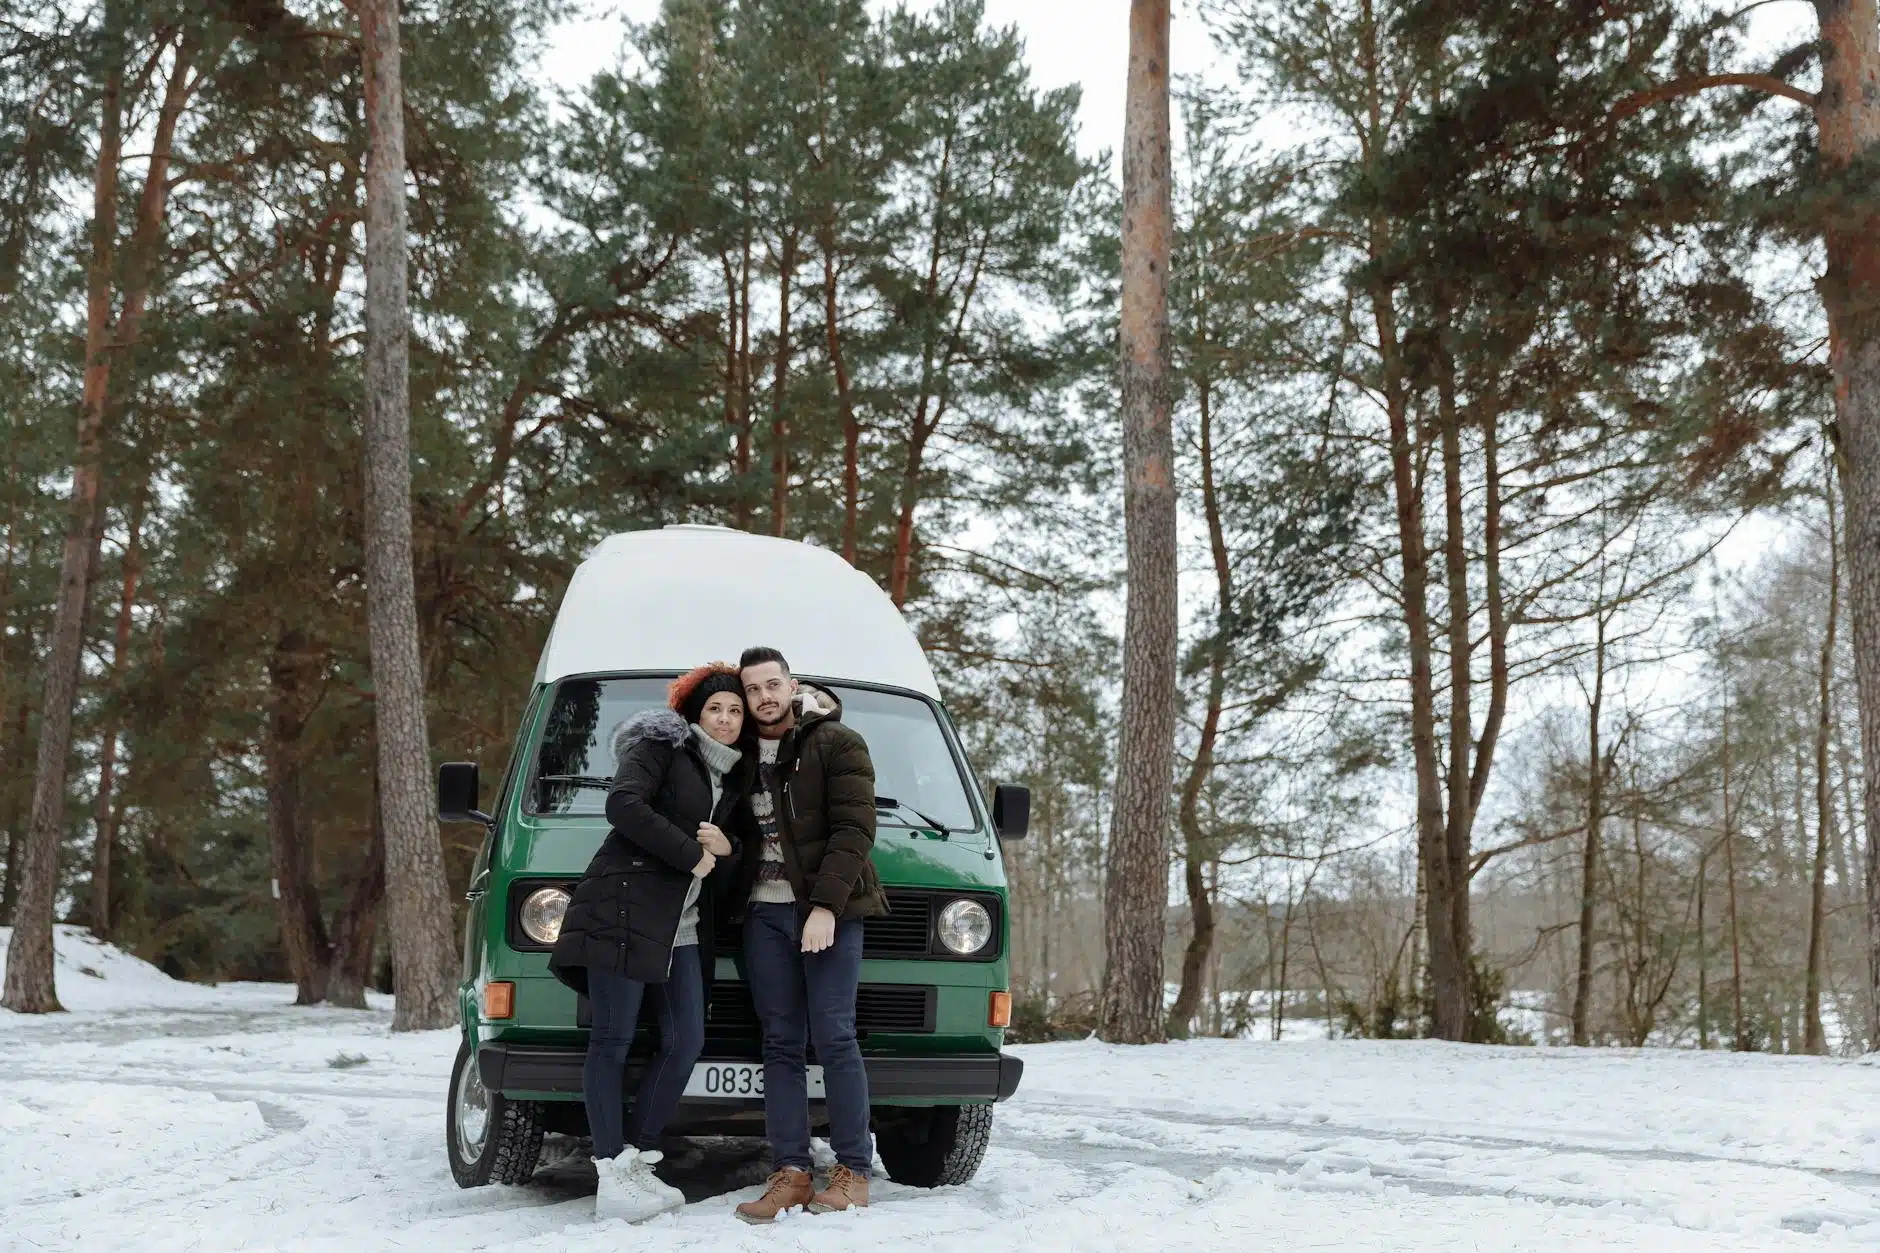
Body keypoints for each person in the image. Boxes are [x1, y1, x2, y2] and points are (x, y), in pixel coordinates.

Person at [548, 663, 751, 1223]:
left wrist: (725, 848)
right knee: (611, 1040)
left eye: (735, 710)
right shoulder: (662, 745)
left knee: (685, 1039)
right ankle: (611, 1169)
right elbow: (623, 805)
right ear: (695, 711)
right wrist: (692, 851)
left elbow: (723, 865)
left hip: (681, 928)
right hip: (625, 909)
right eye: (716, 708)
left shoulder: (734, 778)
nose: (727, 719)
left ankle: (636, 1159)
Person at [730, 646, 889, 1224]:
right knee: (779, 1042)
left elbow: (855, 829)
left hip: (830, 912)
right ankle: (792, 1173)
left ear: (791, 685)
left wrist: (825, 906)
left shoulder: (836, 742)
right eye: (753, 689)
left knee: (835, 1035)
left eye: (773, 684)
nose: (764, 696)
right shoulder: (740, 754)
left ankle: (853, 1172)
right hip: (764, 916)